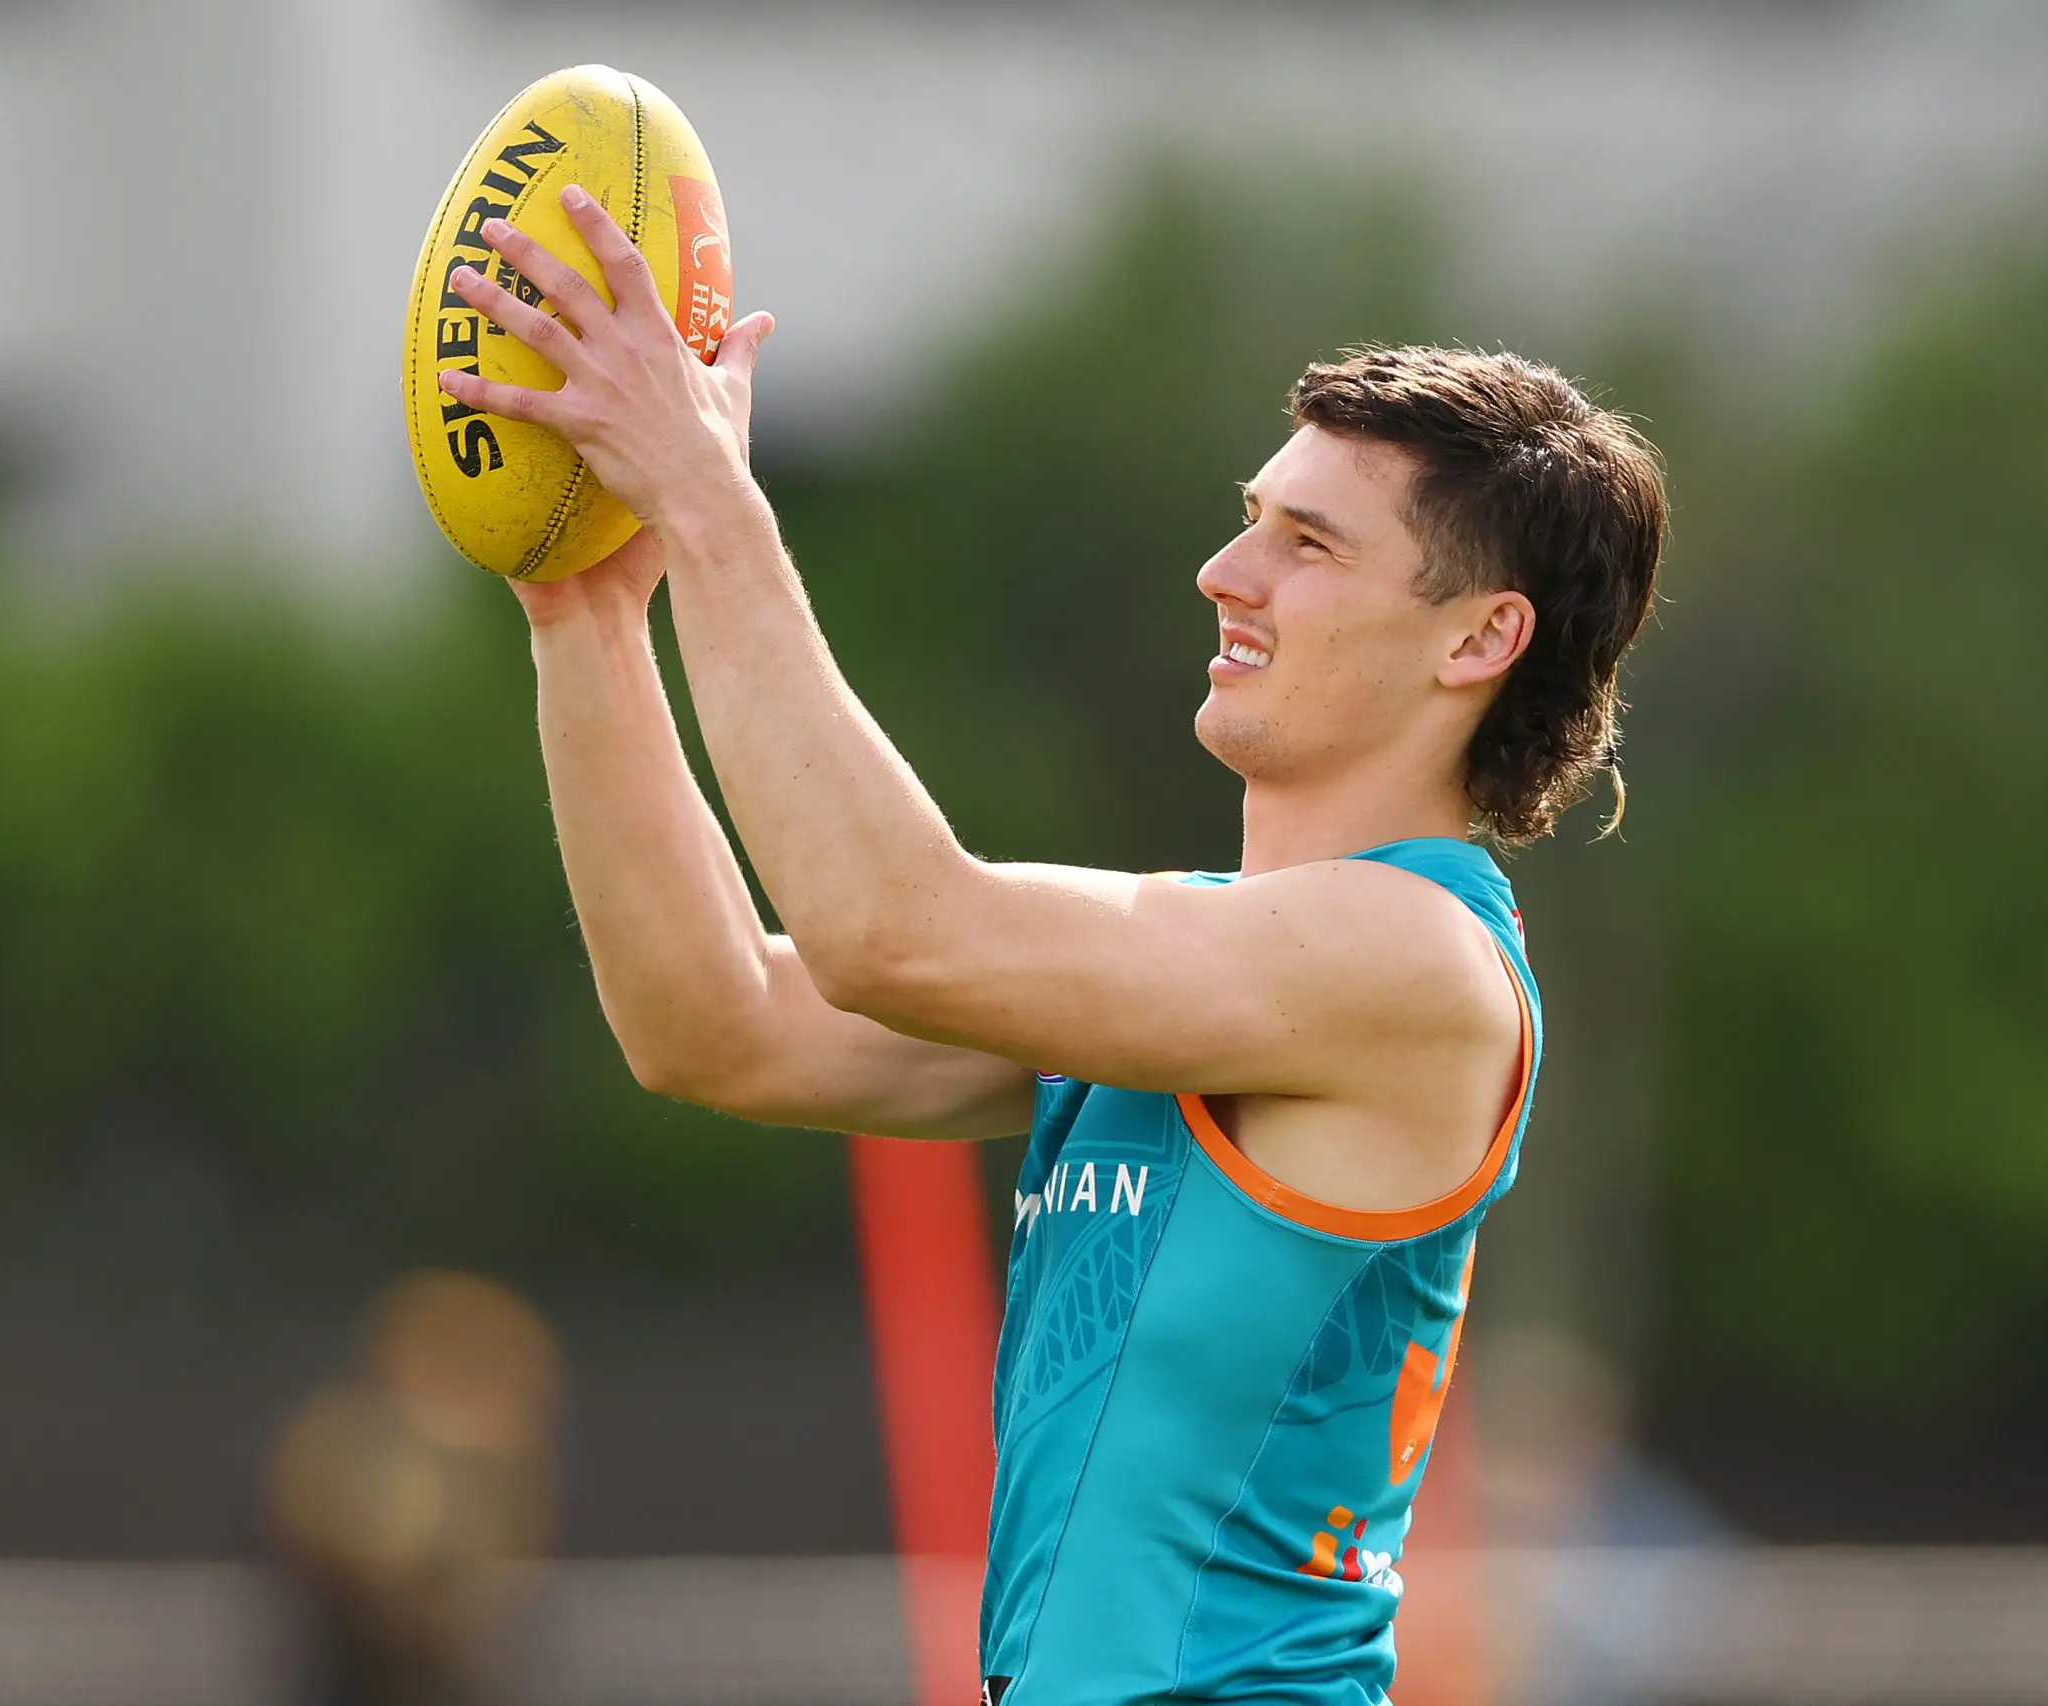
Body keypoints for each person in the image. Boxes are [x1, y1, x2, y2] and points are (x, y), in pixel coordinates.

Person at [436, 184, 1664, 1706]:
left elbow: (895, 925)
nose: (1230, 570)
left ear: (1479, 639)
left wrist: (711, 503)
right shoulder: (1201, 971)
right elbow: (717, 1020)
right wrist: (591, 619)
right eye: (1248, 518)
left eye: (1308, 543)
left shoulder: (1416, 961)